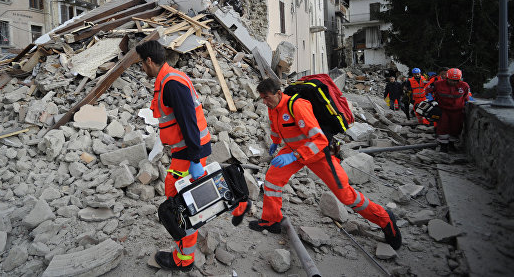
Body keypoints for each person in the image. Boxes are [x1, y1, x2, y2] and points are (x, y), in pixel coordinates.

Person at [247, 78, 402, 250]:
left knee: (345, 195)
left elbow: (320, 139)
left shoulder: (297, 106)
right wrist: (275, 141)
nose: (264, 101)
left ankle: (385, 218)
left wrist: (295, 155)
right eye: (262, 98)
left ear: (278, 93)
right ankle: (271, 220)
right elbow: (276, 126)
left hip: (317, 154)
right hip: (293, 151)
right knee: (272, 179)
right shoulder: (273, 107)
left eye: (267, 97)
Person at [135, 40, 233, 271]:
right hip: (188, 150)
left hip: (190, 152)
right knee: (181, 199)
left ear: (150, 61)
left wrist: (194, 159)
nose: (141, 68)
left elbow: (189, 121)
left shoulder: (171, 84)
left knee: (179, 201)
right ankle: (185, 249)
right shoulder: (169, 79)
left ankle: (183, 259)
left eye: (141, 63)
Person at [426, 68, 470, 152]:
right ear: (447, 78)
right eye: (451, 80)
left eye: (456, 80)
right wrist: (432, 101)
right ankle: (443, 146)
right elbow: (428, 91)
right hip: (443, 109)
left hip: (457, 111)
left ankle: (451, 144)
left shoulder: (464, 86)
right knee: (443, 127)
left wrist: (465, 105)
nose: (453, 82)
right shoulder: (438, 84)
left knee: (456, 128)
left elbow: (466, 97)